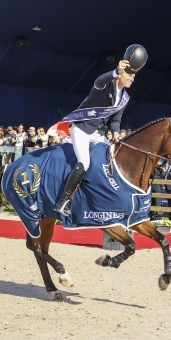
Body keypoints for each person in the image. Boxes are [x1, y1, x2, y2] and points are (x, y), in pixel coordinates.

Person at [53, 44, 147, 215]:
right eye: (129, 75)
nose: (132, 78)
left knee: (110, 164)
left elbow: (116, 120)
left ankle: (99, 200)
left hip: (99, 134)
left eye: (134, 76)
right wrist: (116, 71)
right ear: (120, 74)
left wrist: (116, 132)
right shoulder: (106, 85)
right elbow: (98, 81)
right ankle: (62, 201)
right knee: (85, 163)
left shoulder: (125, 98)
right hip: (82, 130)